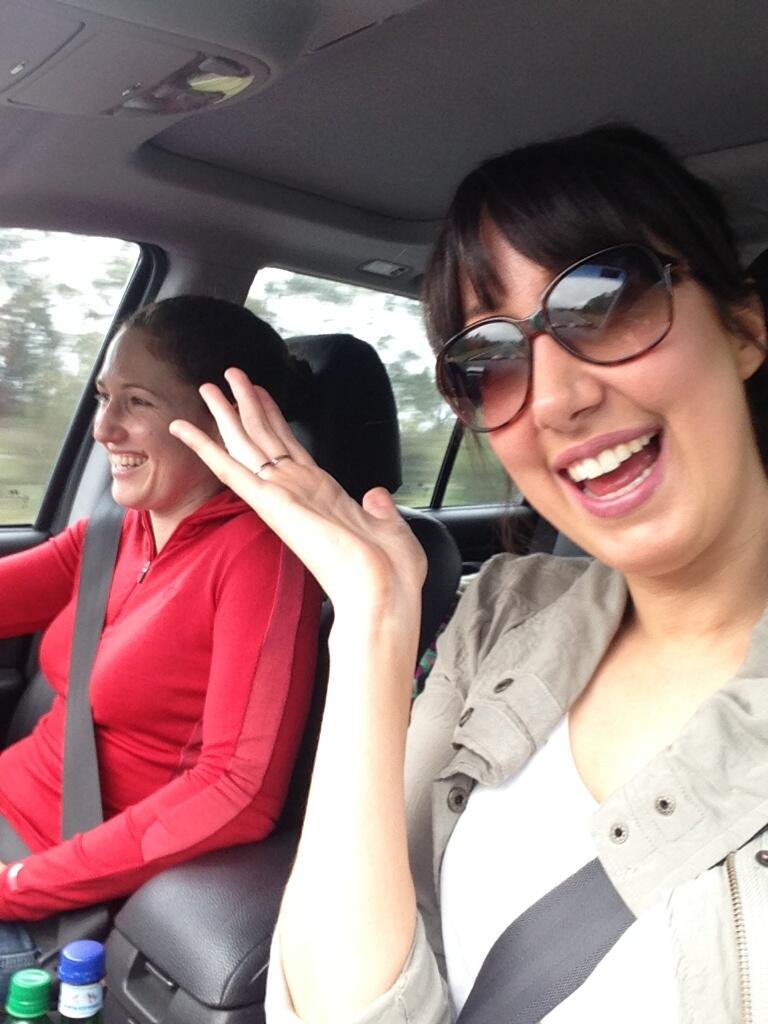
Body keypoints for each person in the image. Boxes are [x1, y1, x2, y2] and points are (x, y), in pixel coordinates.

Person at [170, 127, 768, 1023]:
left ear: (743, 326)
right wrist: (374, 620)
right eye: (490, 359)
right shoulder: (504, 617)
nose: (558, 398)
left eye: (606, 300)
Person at [0, 296, 321, 993]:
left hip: (55, 894)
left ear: (223, 421)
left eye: (137, 402)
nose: (103, 427)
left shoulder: (261, 558)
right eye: (103, 396)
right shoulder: (119, 531)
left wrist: (18, 884)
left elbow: (238, 792)